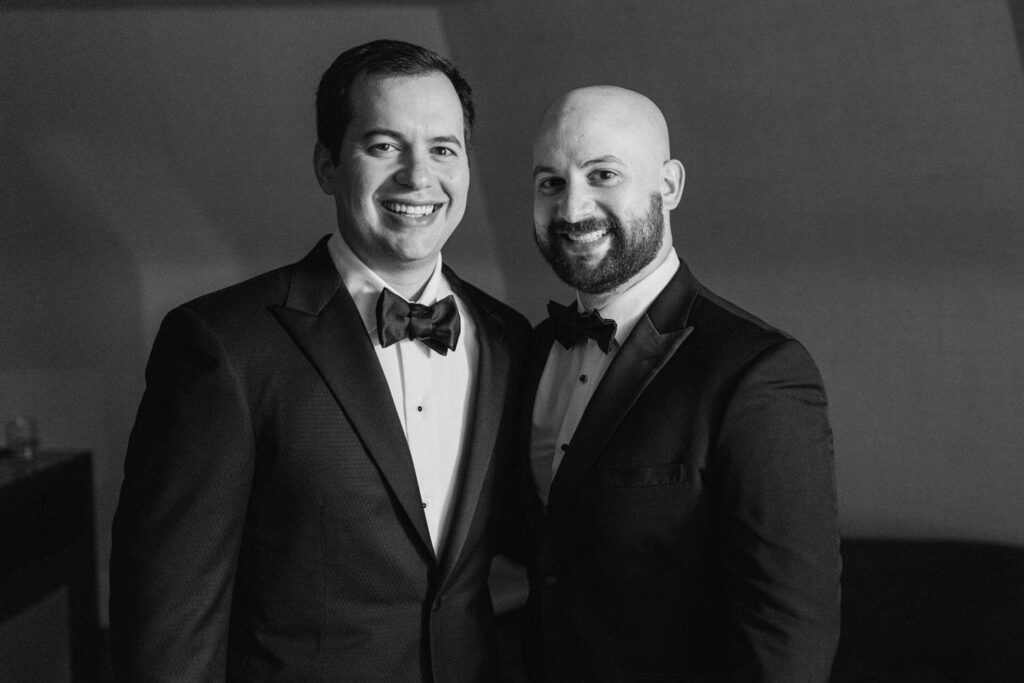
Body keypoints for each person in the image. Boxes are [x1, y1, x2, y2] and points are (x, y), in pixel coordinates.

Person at [110, 39, 529, 681]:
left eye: (443, 149)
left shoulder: (509, 339)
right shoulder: (222, 344)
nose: (419, 177)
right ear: (327, 166)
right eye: (384, 146)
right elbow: (167, 620)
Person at [518, 85, 841, 681]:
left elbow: (787, 632)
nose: (571, 209)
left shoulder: (758, 372)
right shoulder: (530, 350)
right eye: (550, 183)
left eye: (603, 174)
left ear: (669, 186)